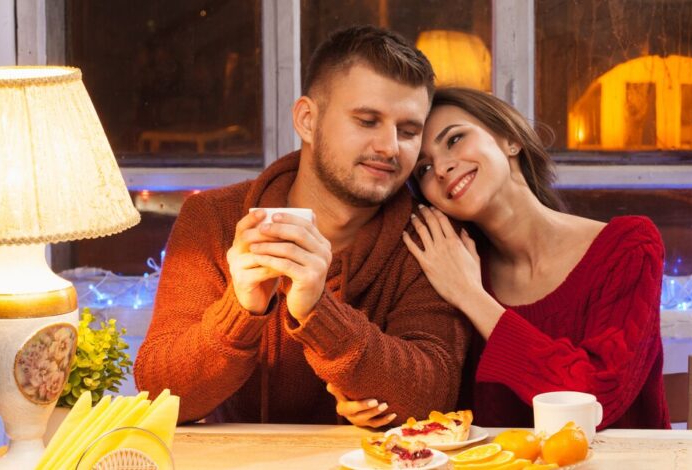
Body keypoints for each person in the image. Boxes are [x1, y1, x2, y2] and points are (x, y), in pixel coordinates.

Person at [134, 26, 470, 425]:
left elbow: (431, 401)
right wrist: (241, 309)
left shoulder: (428, 237)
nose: (389, 147)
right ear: (308, 120)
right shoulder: (213, 218)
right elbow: (159, 395)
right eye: (367, 120)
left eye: (409, 131)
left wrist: (318, 311)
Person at [332, 87, 670, 430]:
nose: (443, 169)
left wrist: (471, 296)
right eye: (424, 169)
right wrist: (372, 396)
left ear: (510, 138)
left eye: (454, 139)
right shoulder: (449, 264)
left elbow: (594, 401)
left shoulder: (628, 247)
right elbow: (435, 393)